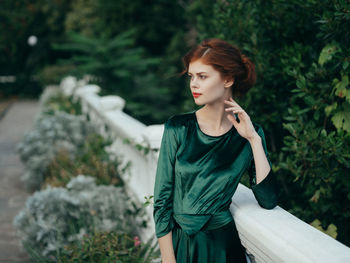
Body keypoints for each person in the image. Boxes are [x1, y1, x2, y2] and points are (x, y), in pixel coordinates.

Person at [153, 38, 280, 263]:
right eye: (192, 77)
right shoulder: (179, 128)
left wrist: (253, 139)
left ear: (228, 79)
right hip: (182, 245)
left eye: (202, 76)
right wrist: (168, 259)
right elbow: (162, 201)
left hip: (223, 247)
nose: (194, 84)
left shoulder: (249, 133)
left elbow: (268, 199)